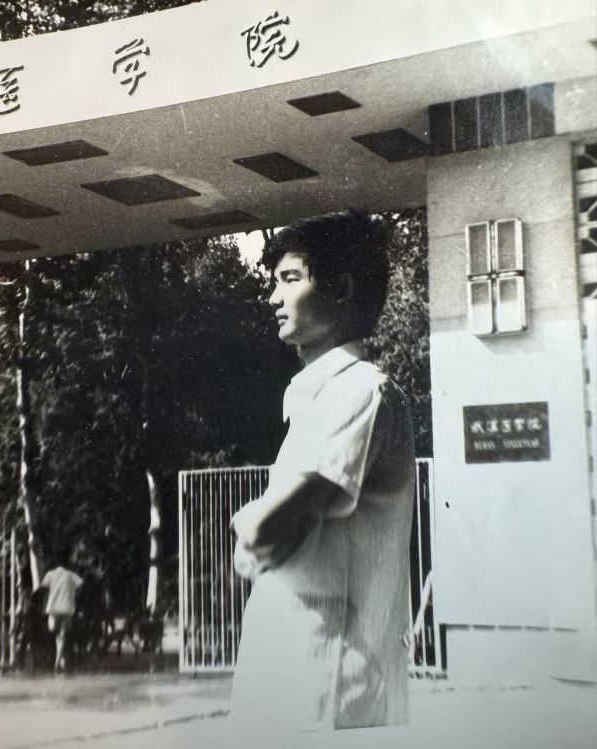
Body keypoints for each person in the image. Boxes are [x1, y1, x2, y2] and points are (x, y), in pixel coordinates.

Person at [228, 211, 415, 738]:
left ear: (340, 289)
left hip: (328, 688)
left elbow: (266, 530)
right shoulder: (323, 395)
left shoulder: (360, 391)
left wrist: (246, 526)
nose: (273, 297)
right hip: (297, 680)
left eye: (290, 279)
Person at [39, 549, 83, 672]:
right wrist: (73, 594)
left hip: (53, 608)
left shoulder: (50, 574)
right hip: (67, 608)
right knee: (62, 635)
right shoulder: (71, 575)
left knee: (53, 630)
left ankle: (57, 662)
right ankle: (60, 659)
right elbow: (81, 585)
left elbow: (43, 588)